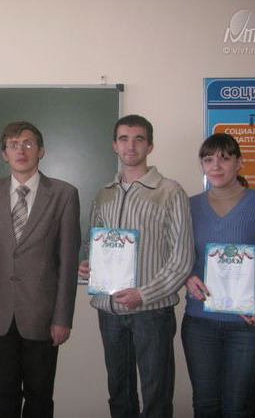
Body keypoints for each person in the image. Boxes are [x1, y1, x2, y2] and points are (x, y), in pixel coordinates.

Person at [78, 114, 194, 418]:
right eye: (124, 139)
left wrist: (143, 294)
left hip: (151, 312)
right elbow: (94, 243)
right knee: (119, 394)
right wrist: (89, 264)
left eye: (139, 139)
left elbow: (182, 258)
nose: (131, 146)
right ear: (114, 145)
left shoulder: (170, 191)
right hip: (109, 311)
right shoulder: (104, 193)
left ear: (150, 146)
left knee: (156, 396)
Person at [0, 121, 81, 418]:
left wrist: (62, 317)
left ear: (41, 151)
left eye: (28, 144)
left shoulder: (64, 194)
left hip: (43, 315)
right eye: (13, 145)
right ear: (4, 154)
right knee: (3, 393)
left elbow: (68, 261)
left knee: (40, 394)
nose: (21, 150)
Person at [181, 133, 255, 417]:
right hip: (199, 323)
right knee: (205, 406)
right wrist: (186, 276)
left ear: (239, 163)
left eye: (224, 158)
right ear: (202, 165)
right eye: (208, 159)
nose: (216, 166)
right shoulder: (189, 206)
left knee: (239, 408)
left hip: (249, 324)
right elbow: (180, 257)